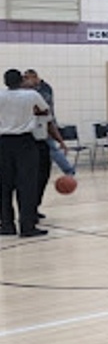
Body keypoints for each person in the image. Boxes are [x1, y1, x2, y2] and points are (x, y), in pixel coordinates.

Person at [0, 68, 49, 236]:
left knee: (4, 186)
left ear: (5, 82)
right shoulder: (31, 95)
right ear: (21, 80)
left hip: (4, 142)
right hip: (25, 142)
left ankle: (6, 224)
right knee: (27, 185)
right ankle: (27, 226)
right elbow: (45, 110)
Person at [25, 73, 68, 222]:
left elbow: (49, 120)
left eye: (28, 77)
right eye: (24, 78)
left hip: (41, 139)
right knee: (26, 180)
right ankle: (26, 213)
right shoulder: (21, 98)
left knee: (42, 177)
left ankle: (33, 208)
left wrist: (60, 140)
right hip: (25, 141)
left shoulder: (43, 93)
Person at [24, 70, 72, 178]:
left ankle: (69, 170)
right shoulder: (30, 90)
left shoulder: (45, 89)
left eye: (27, 78)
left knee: (52, 148)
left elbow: (41, 107)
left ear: (34, 77)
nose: (25, 81)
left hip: (45, 124)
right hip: (33, 125)